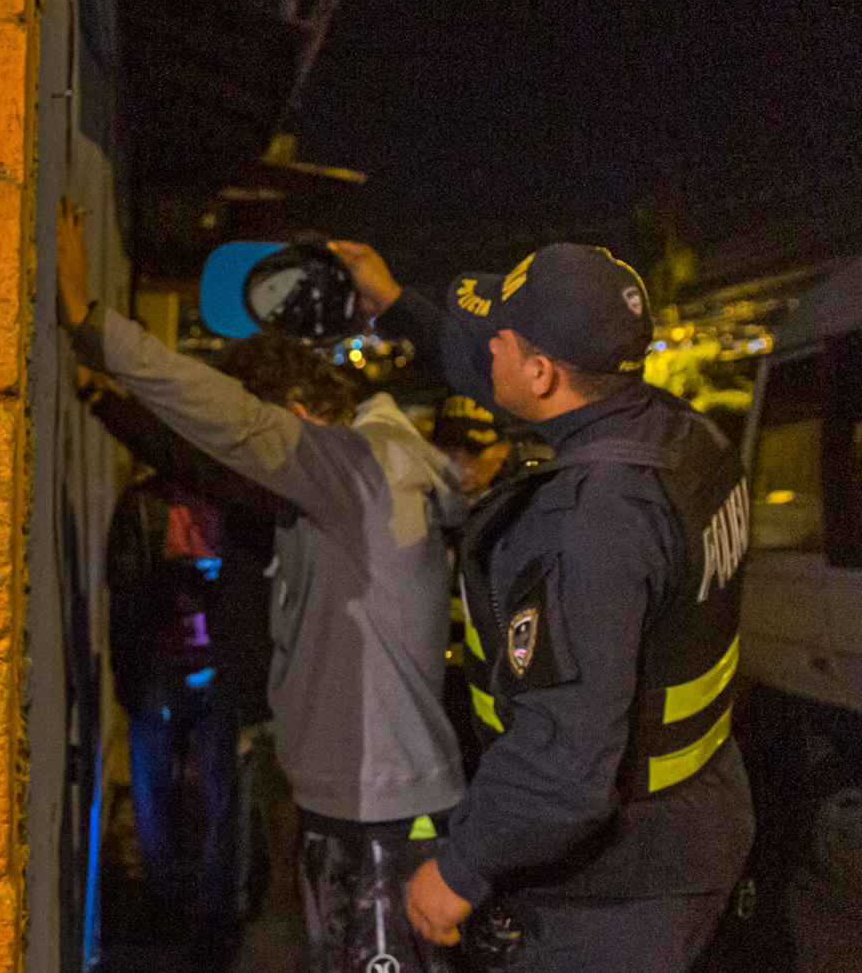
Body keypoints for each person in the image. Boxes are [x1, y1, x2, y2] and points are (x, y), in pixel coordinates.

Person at [58, 202, 465, 973]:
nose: (254, 468)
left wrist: (89, 322)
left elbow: (228, 423)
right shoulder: (364, 474)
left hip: (376, 814)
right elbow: (207, 458)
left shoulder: (356, 467)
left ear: (299, 416)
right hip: (360, 802)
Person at [330, 240, 755, 972]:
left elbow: (565, 767)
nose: (485, 345)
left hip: (615, 892)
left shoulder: (588, 525)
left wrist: (459, 870)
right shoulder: (681, 435)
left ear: (542, 373)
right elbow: (499, 370)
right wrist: (395, 305)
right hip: (696, 824)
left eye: (501, 334)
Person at [86, 367, 295, 956]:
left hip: (219, 673)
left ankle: (214, 912)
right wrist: (168, 592)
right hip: (159, 669)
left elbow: (257, 587)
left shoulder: (234, 504)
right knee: (156, 792)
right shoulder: (144, 504)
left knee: (221, 794)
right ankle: (167, 904)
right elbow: (123, 588)